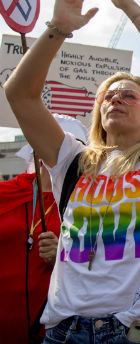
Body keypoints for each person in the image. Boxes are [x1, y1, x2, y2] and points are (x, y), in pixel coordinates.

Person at [4, 0, 140, 343]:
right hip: (65, 329)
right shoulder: (71, 159)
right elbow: (20, 95)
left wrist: (131, 9)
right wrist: (58, 27)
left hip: (136, 332)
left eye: (129, 95)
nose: (115, 99)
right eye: (107, 96)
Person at [0, 115, 87, 344]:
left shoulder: (90, 203)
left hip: (56, 329)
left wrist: (63, 256)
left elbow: (104, 266)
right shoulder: (6, 192)